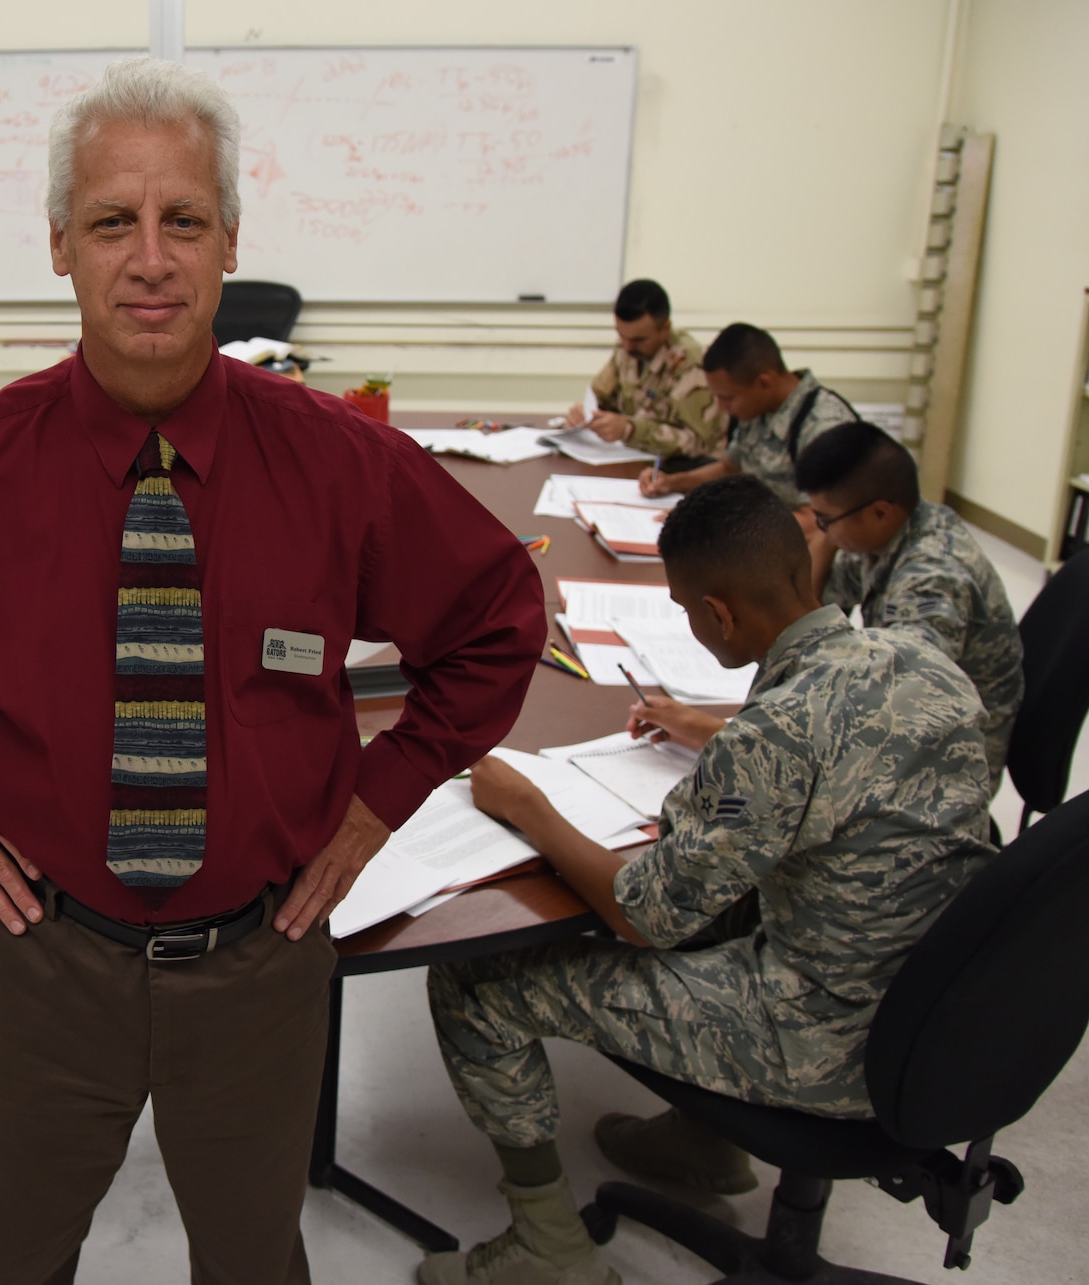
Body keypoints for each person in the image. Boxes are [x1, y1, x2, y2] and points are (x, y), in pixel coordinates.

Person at [0, 57, 545, 1285]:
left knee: (253, 1260)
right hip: (39, 960)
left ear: (230, 240)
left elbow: (494, 615)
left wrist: (381, 801)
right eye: (114, 221)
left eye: (184, 221)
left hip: (262, 961)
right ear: (60, 244)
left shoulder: (339, 466)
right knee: (11, 1260)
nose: (150, 259)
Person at [420, 476, 994, 1285]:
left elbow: (643, 916)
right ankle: (707, 1139)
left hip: (834, 1038)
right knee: (730, 898)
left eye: (689, 610)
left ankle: (550, 1249)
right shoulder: (920, 660)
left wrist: (530, 808)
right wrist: (716, 731)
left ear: (717, 614)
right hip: (940, 1004)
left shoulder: (771, 740)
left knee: (475, 985)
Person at [796, 421, 1023, 787]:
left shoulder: (934, 575)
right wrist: (829, 534)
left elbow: (905, 693)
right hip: (904, 716)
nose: (820, 528)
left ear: (880, 511)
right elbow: (810, 609)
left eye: (824, 518)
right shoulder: (886, 533)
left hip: (946, 758)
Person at [637, 322, 856, 514]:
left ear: (764, 383)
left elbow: (817, 525)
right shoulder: (758, 408)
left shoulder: (823, 427)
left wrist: (721, 525)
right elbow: (730, 468)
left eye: (728, 398)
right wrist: (672, 482)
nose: (722, 408)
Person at [562, 278, 725, 462]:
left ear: (665, 329)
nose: (627, 347)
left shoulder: (690, 365)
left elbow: (700, 443)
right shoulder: (626, 349)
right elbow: (600, 398)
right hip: (634, 458)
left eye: (639, 340)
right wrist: (582, 416)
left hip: (681, 468)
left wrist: (631, 431)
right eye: (621, 335)